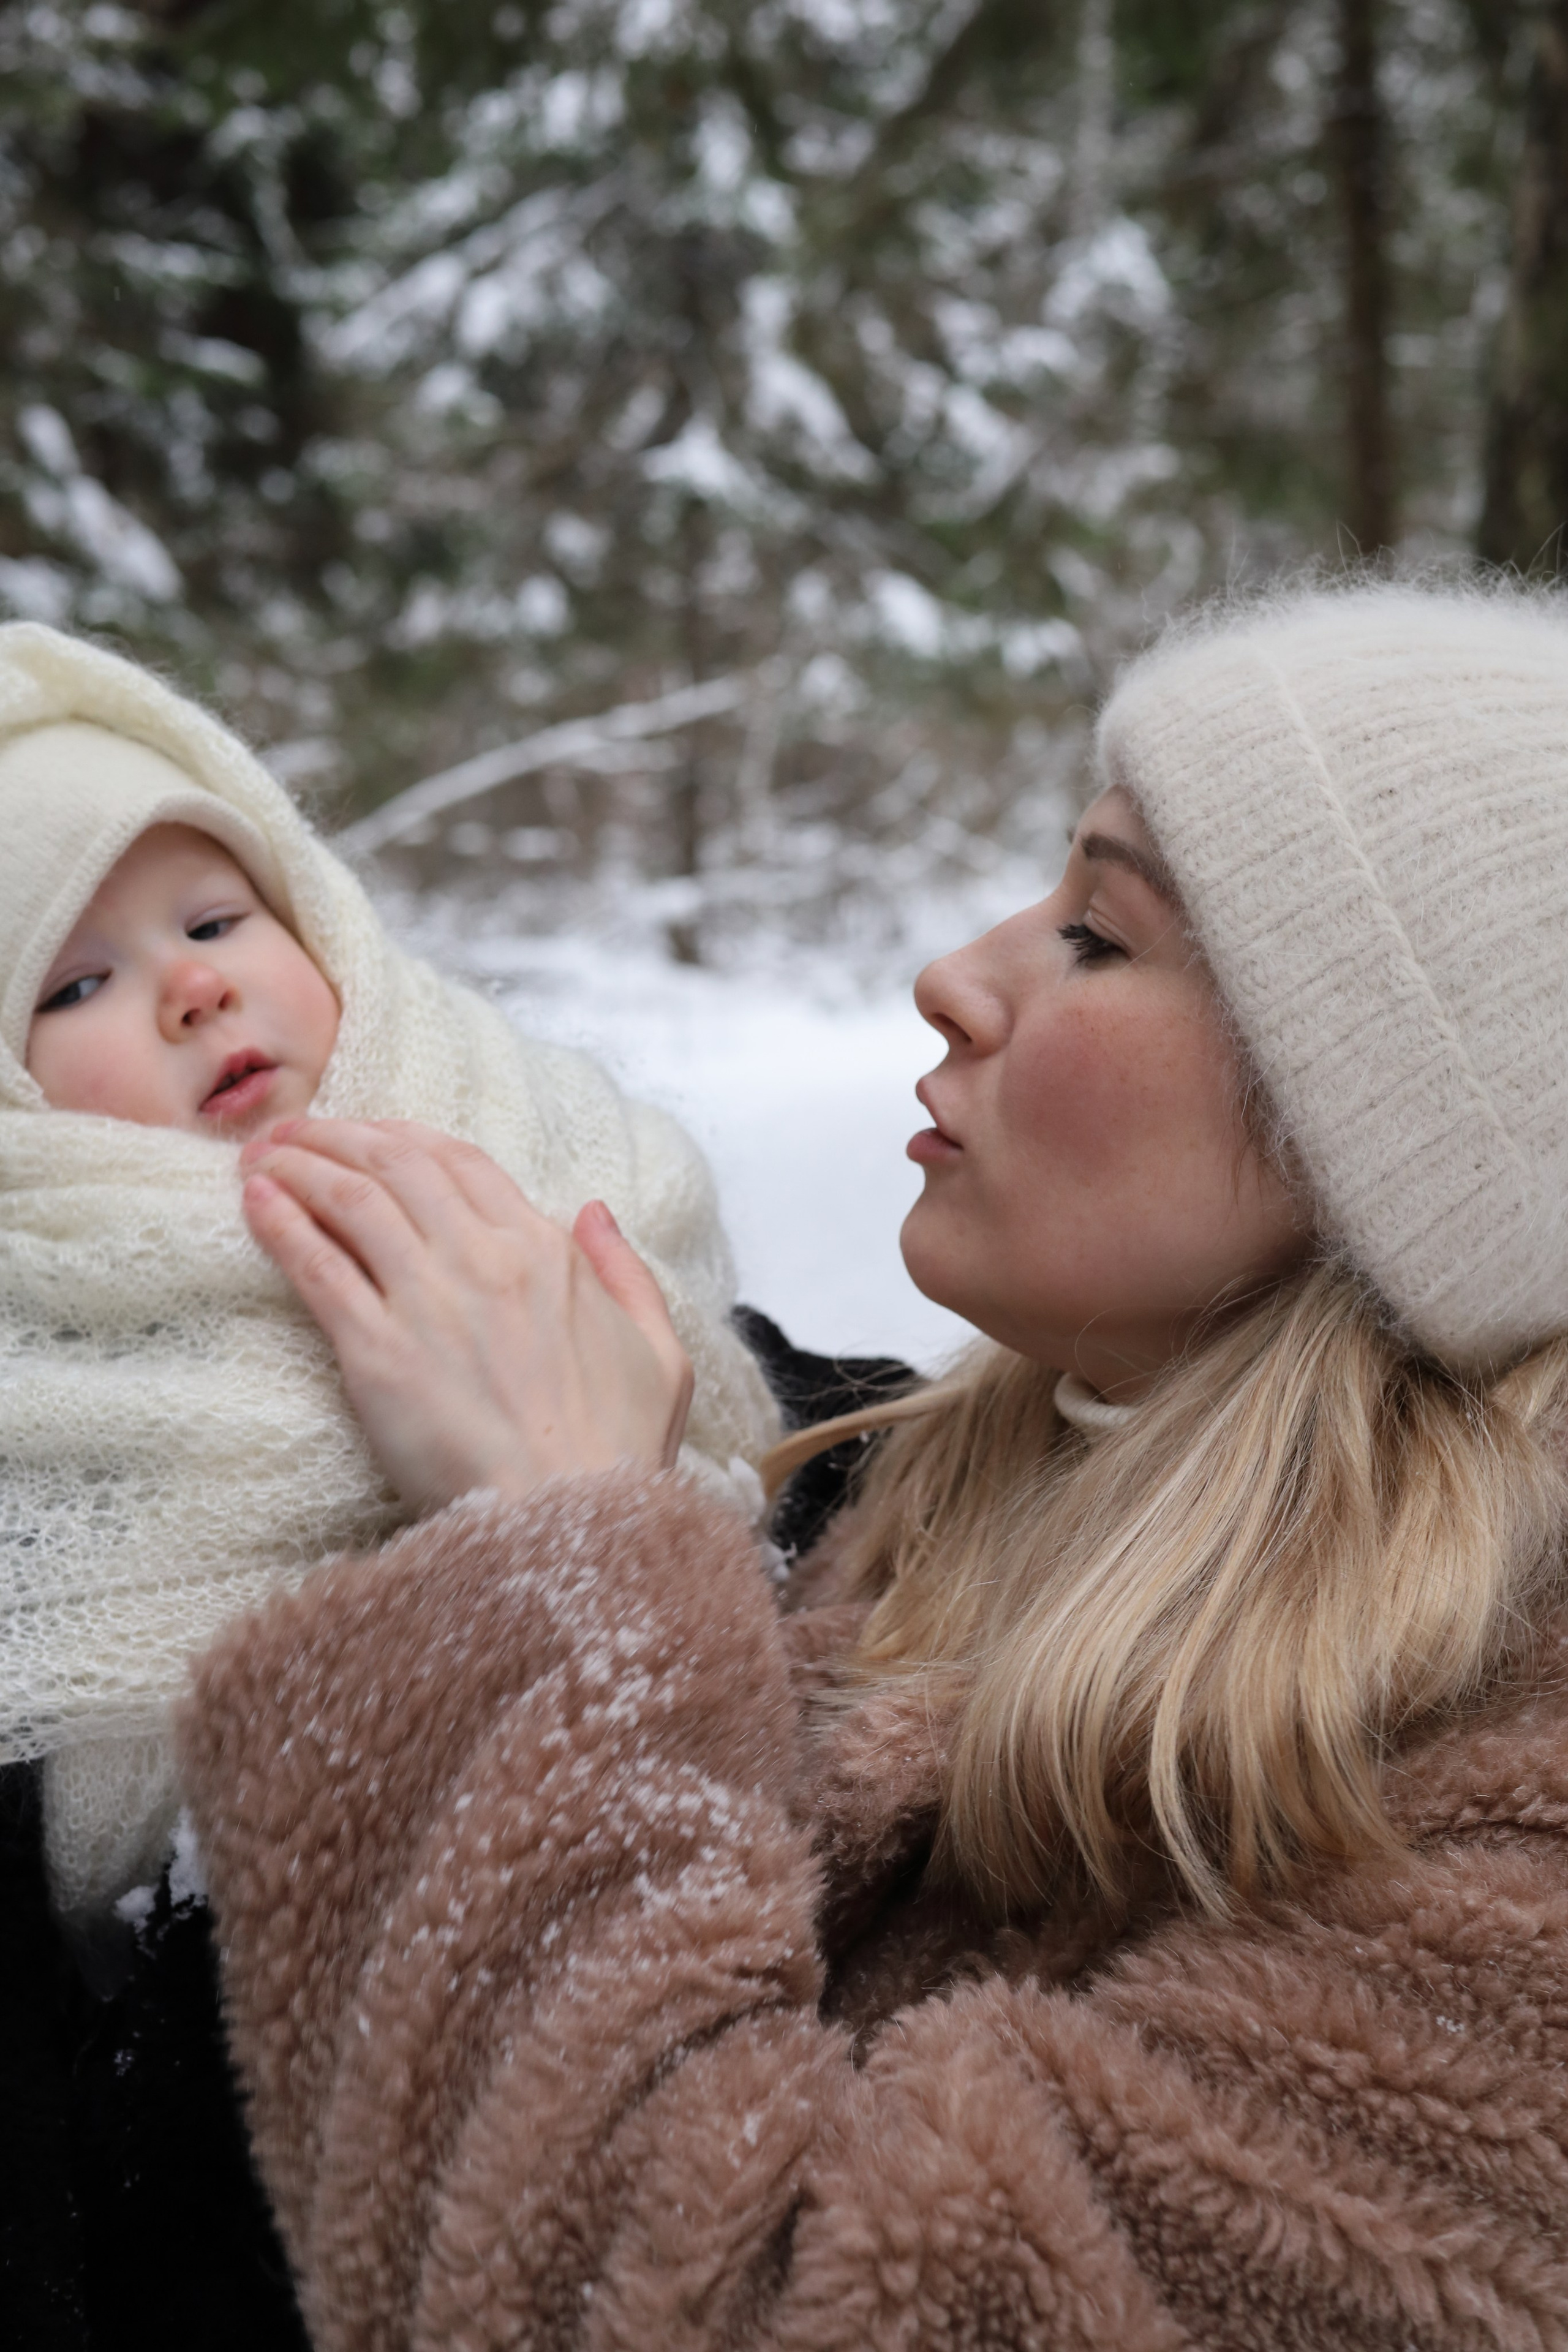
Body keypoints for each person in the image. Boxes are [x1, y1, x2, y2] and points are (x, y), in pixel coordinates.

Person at [180, 580, 1568, 2348]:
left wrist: (554, 1560)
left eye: (1098, 934)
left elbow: (739, 2304)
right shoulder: (949, 1499)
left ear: (1389, 1147)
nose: (955, 976)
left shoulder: (1521, 1903)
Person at [0, 618, 794, 2348]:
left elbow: (781, 1446)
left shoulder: (544, 1166)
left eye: (219, 922)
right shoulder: (39, 1391)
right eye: (74, 985)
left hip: (661, 1992)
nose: (195, 985)